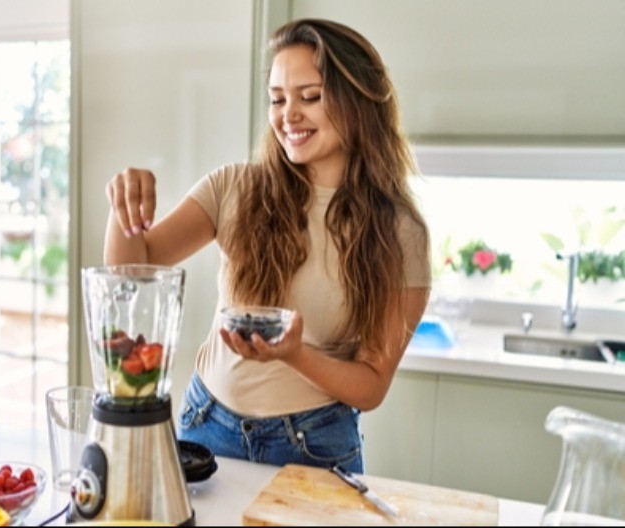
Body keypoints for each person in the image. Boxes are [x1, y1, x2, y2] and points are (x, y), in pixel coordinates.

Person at [103, 18, 431, 474]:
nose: (287, 115)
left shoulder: (400, 232)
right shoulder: (234, 187)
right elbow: (129, 273)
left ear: (358, 101)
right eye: (278, 99)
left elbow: (371, 386)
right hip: (205, 426)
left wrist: (295, 354)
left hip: (313, 447)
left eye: (309, 97)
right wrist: (125, 205)